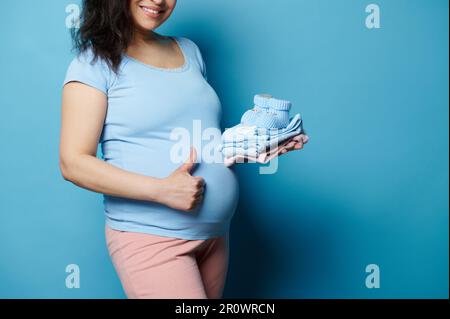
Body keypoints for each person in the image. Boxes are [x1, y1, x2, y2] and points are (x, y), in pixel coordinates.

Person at [59, 0, 306, 299]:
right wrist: (161, 190)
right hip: (152, 237)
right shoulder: (93, 63)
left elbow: (198, 137)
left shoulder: (188, 50)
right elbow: (73, 163)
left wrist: (254, 145)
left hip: (215, 236)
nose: (159, 1)